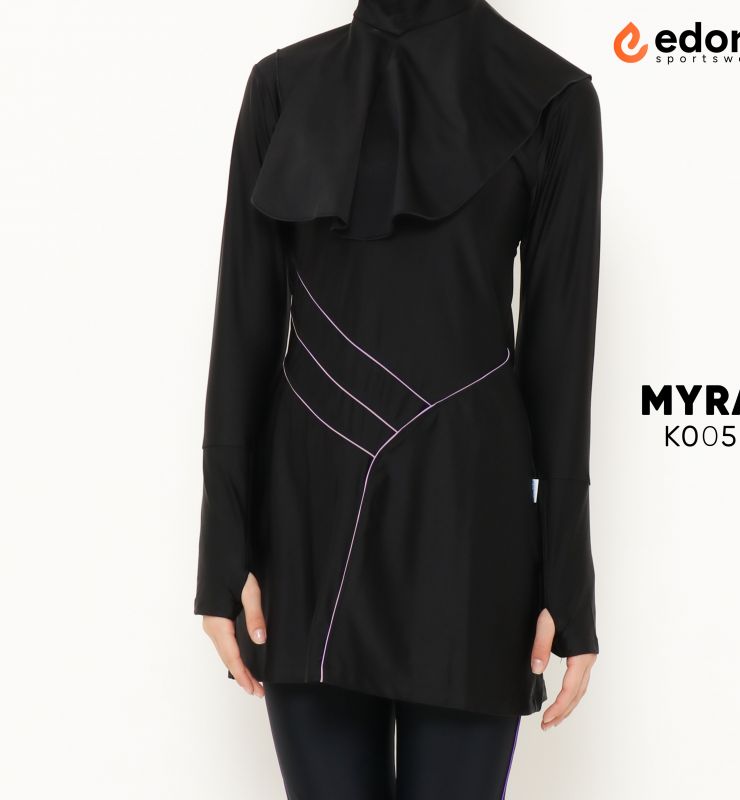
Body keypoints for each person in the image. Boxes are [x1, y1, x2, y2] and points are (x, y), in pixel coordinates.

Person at [193, 0, 602, 796]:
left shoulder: (555, 99)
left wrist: (568, 580)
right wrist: (223, 552)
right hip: (310, 532)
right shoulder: (280, 87)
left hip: (469, 536)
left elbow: (561, 363)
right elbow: (243, 329)